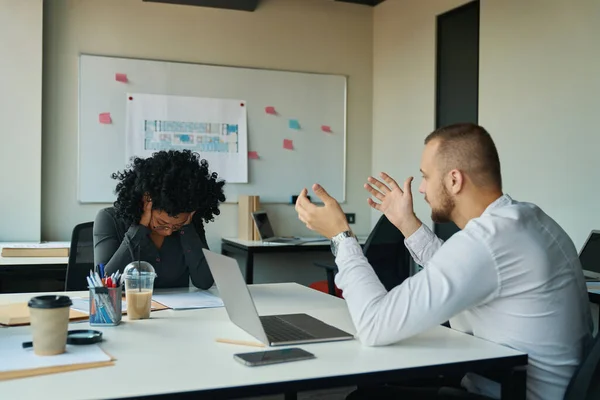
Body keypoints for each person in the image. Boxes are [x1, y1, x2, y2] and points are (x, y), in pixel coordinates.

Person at [294, 123, 593, 400]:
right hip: (513, 384)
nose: (421, 188)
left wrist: (340, 237)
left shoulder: (487, 240)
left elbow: (374, 324)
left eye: (425, 176)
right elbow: (459, 268)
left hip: (504, 393)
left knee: (365, 397)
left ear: (453, 179)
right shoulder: (524, 220)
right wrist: (405, 222)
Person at [93, 150, 226, 289]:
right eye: (162, 223)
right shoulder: (109, 219)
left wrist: (187, 229)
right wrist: (139, 229)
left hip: (176, 311)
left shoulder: (190, 224)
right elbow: (103, 283)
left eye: (176, 226)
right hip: (129, 309)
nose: (169, 232)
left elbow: (204, 282)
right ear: (147, 202)